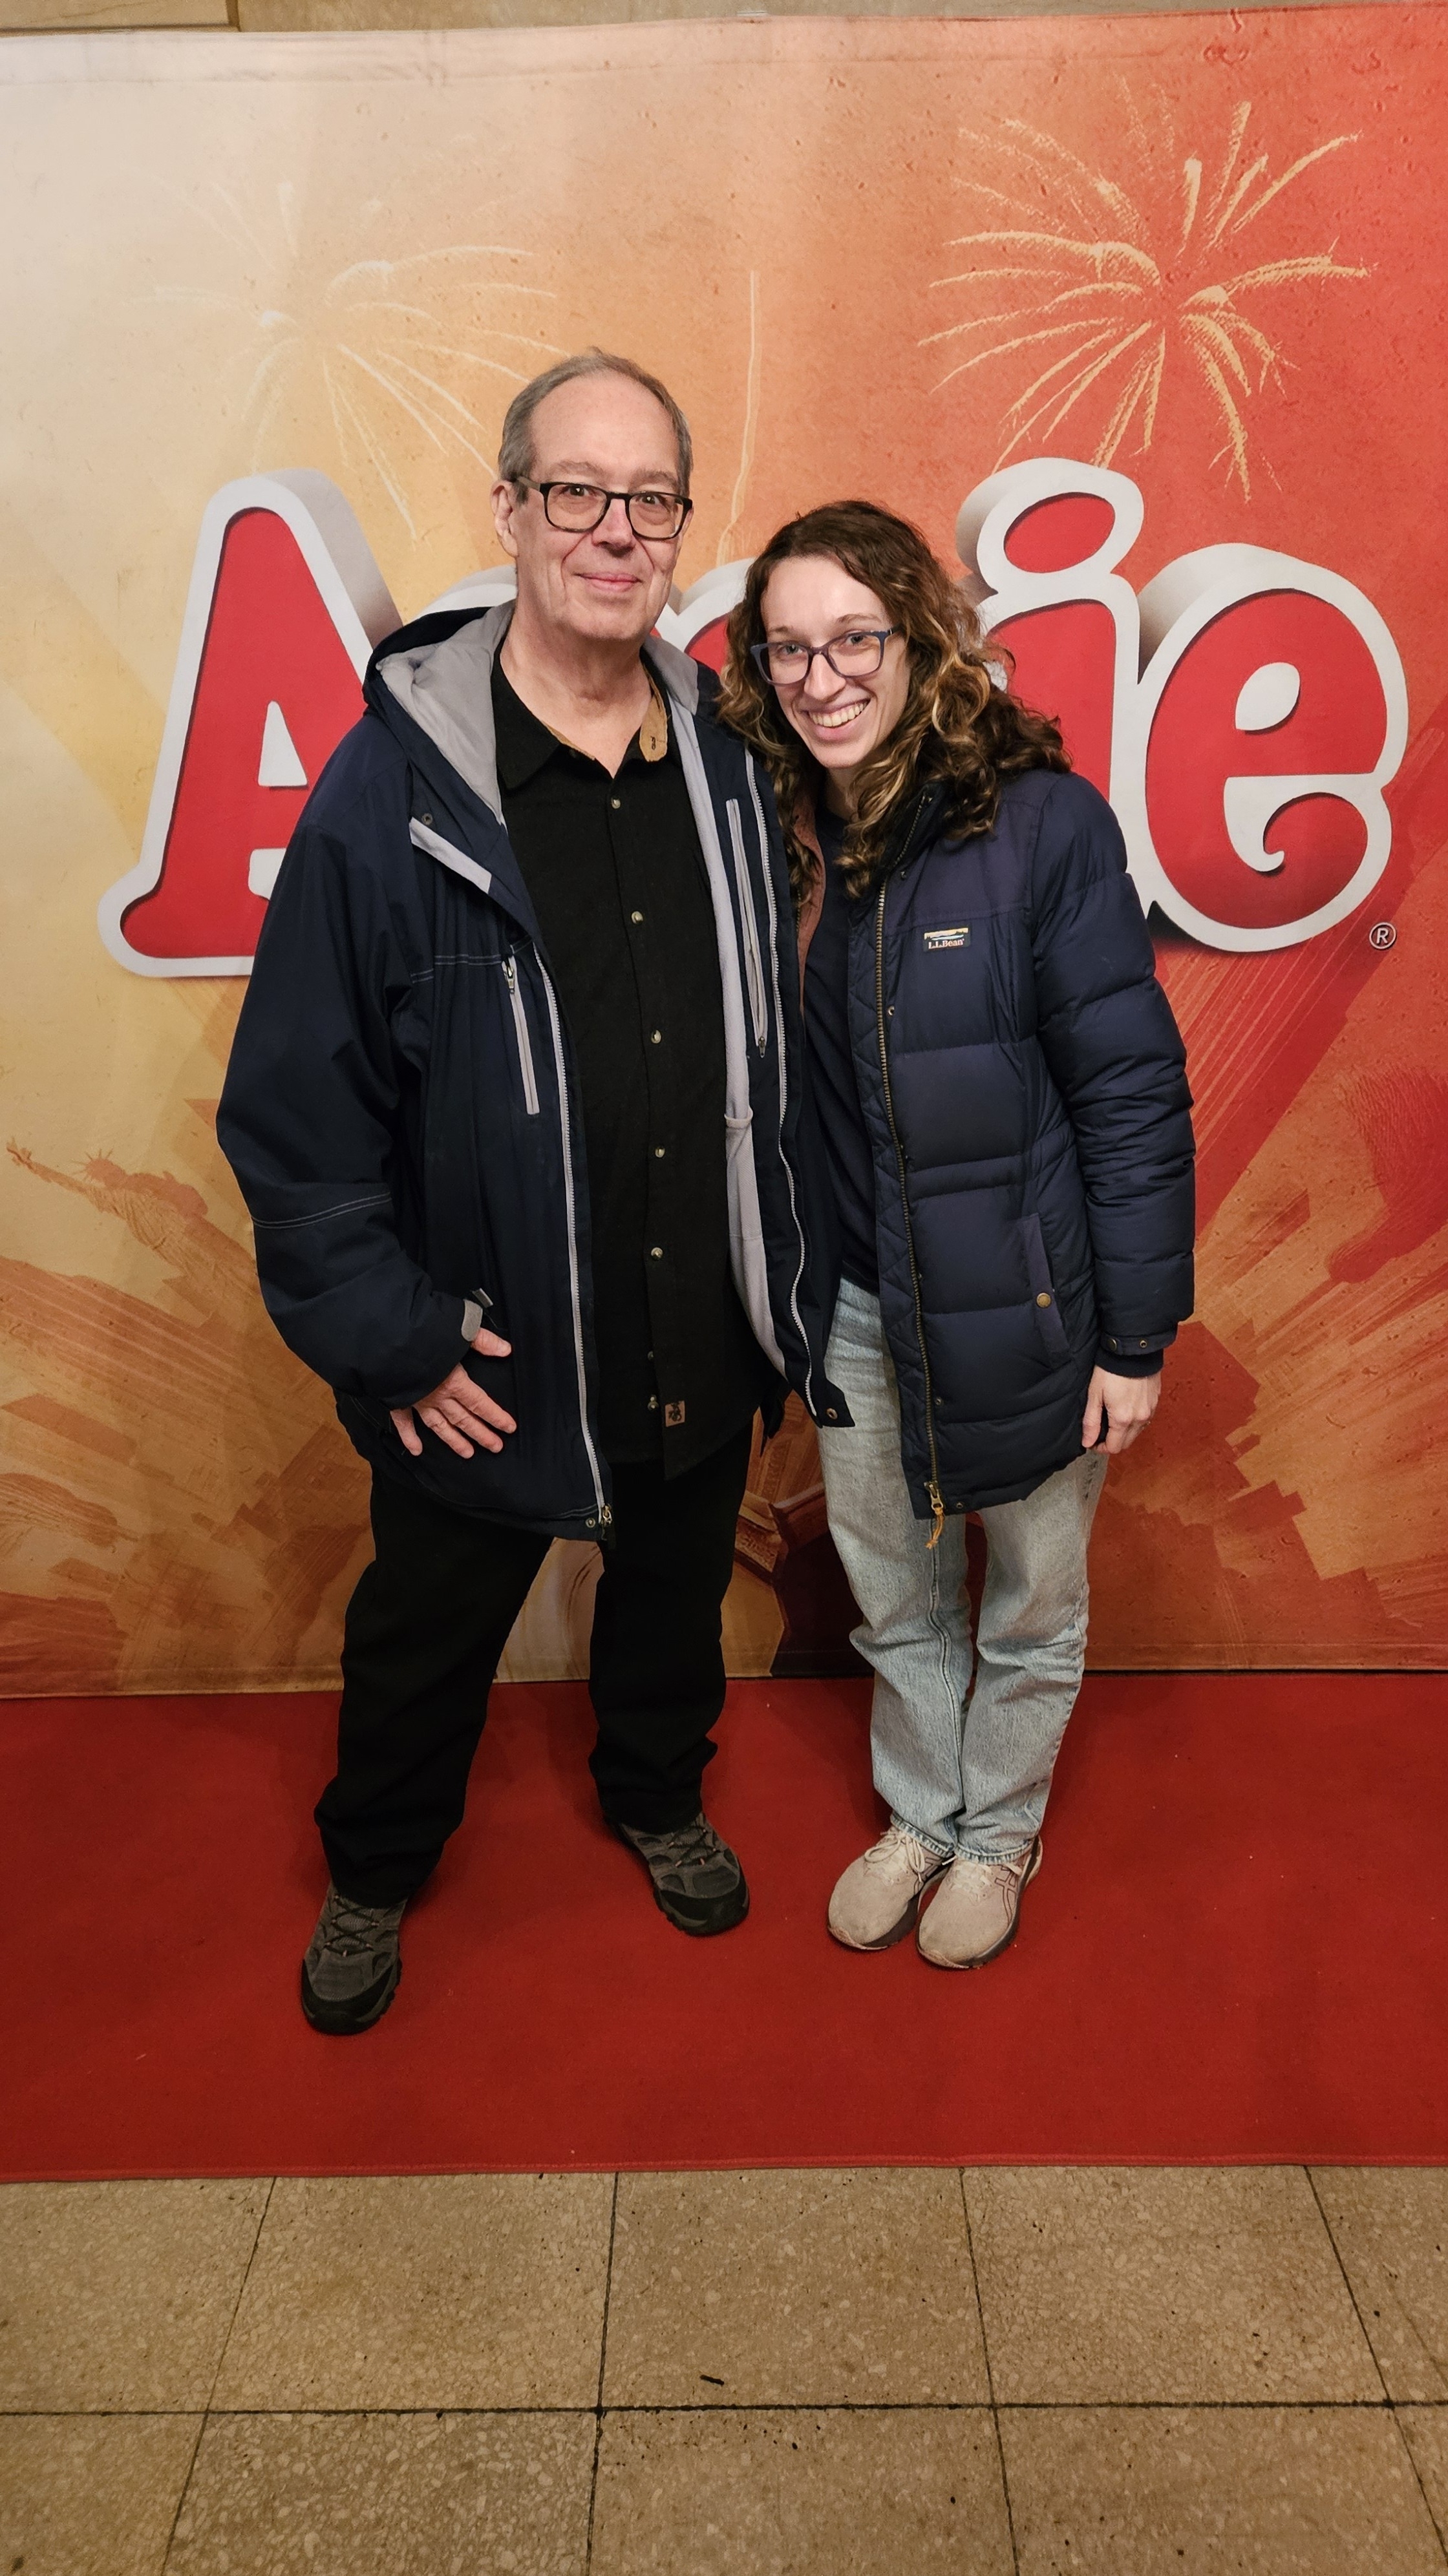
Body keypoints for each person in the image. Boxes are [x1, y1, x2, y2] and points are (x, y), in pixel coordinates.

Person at [217, 353, 842, 2034]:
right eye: (577, 491)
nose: (614, 530)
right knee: (424, 1636)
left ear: (679, 525)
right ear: (510, 509)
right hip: (484, 1346)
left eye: (650, 498)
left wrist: (780, 1278)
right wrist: (398, 1339)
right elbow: (296, 1113)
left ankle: (657, 1791)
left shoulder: (728, 765)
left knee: (671, 1601)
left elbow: (770, 1043)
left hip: (695, 1311)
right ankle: (374, 1868)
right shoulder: (390, 787)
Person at [719, 501, 1194, 1969]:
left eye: (853, 637)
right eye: (788, 648)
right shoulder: (766, 831)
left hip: (1027, 1307)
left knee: (1032, 1602)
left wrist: (1134, 1335)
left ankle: (999, 1833)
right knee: (894, 1591)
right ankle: (923, 1812)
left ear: (921, 641)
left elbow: (1128, 1092)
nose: (822, 678)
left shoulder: (1040, 823)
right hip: (854, 1304)